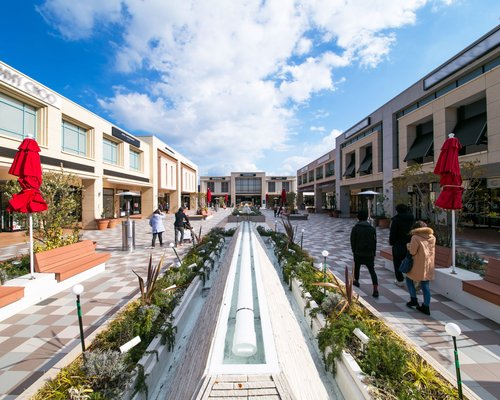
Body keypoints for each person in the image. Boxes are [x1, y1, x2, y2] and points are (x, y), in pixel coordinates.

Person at [405, 221, 436, 315]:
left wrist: (408, 246)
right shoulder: (432, 237)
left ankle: (413, 299)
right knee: (425, 285)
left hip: (417, 264)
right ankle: (426, 306)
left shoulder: (415, 237)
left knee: (409, 279)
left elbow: (412, 252)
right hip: (428, 264)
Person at [350, 210, 379, 298]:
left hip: (358, 252)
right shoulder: (371, 228)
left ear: (358, 217)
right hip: (369, 253)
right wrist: (374, 252)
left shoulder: (355, 228)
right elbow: (374, 241)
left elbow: (352, 241)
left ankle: (357, 281)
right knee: (372, 270)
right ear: (366, 217)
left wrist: (354, 250)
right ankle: (375, 289)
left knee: (357, 266)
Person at [389, 204, 415, 286]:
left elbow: (393, 233)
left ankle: (400, 280)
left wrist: (391, 242)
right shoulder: (412, 218)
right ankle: (413, 280)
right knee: (411, 262)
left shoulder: (396, 220)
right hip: (411, 243)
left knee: (397, 262)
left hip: (399, 244)